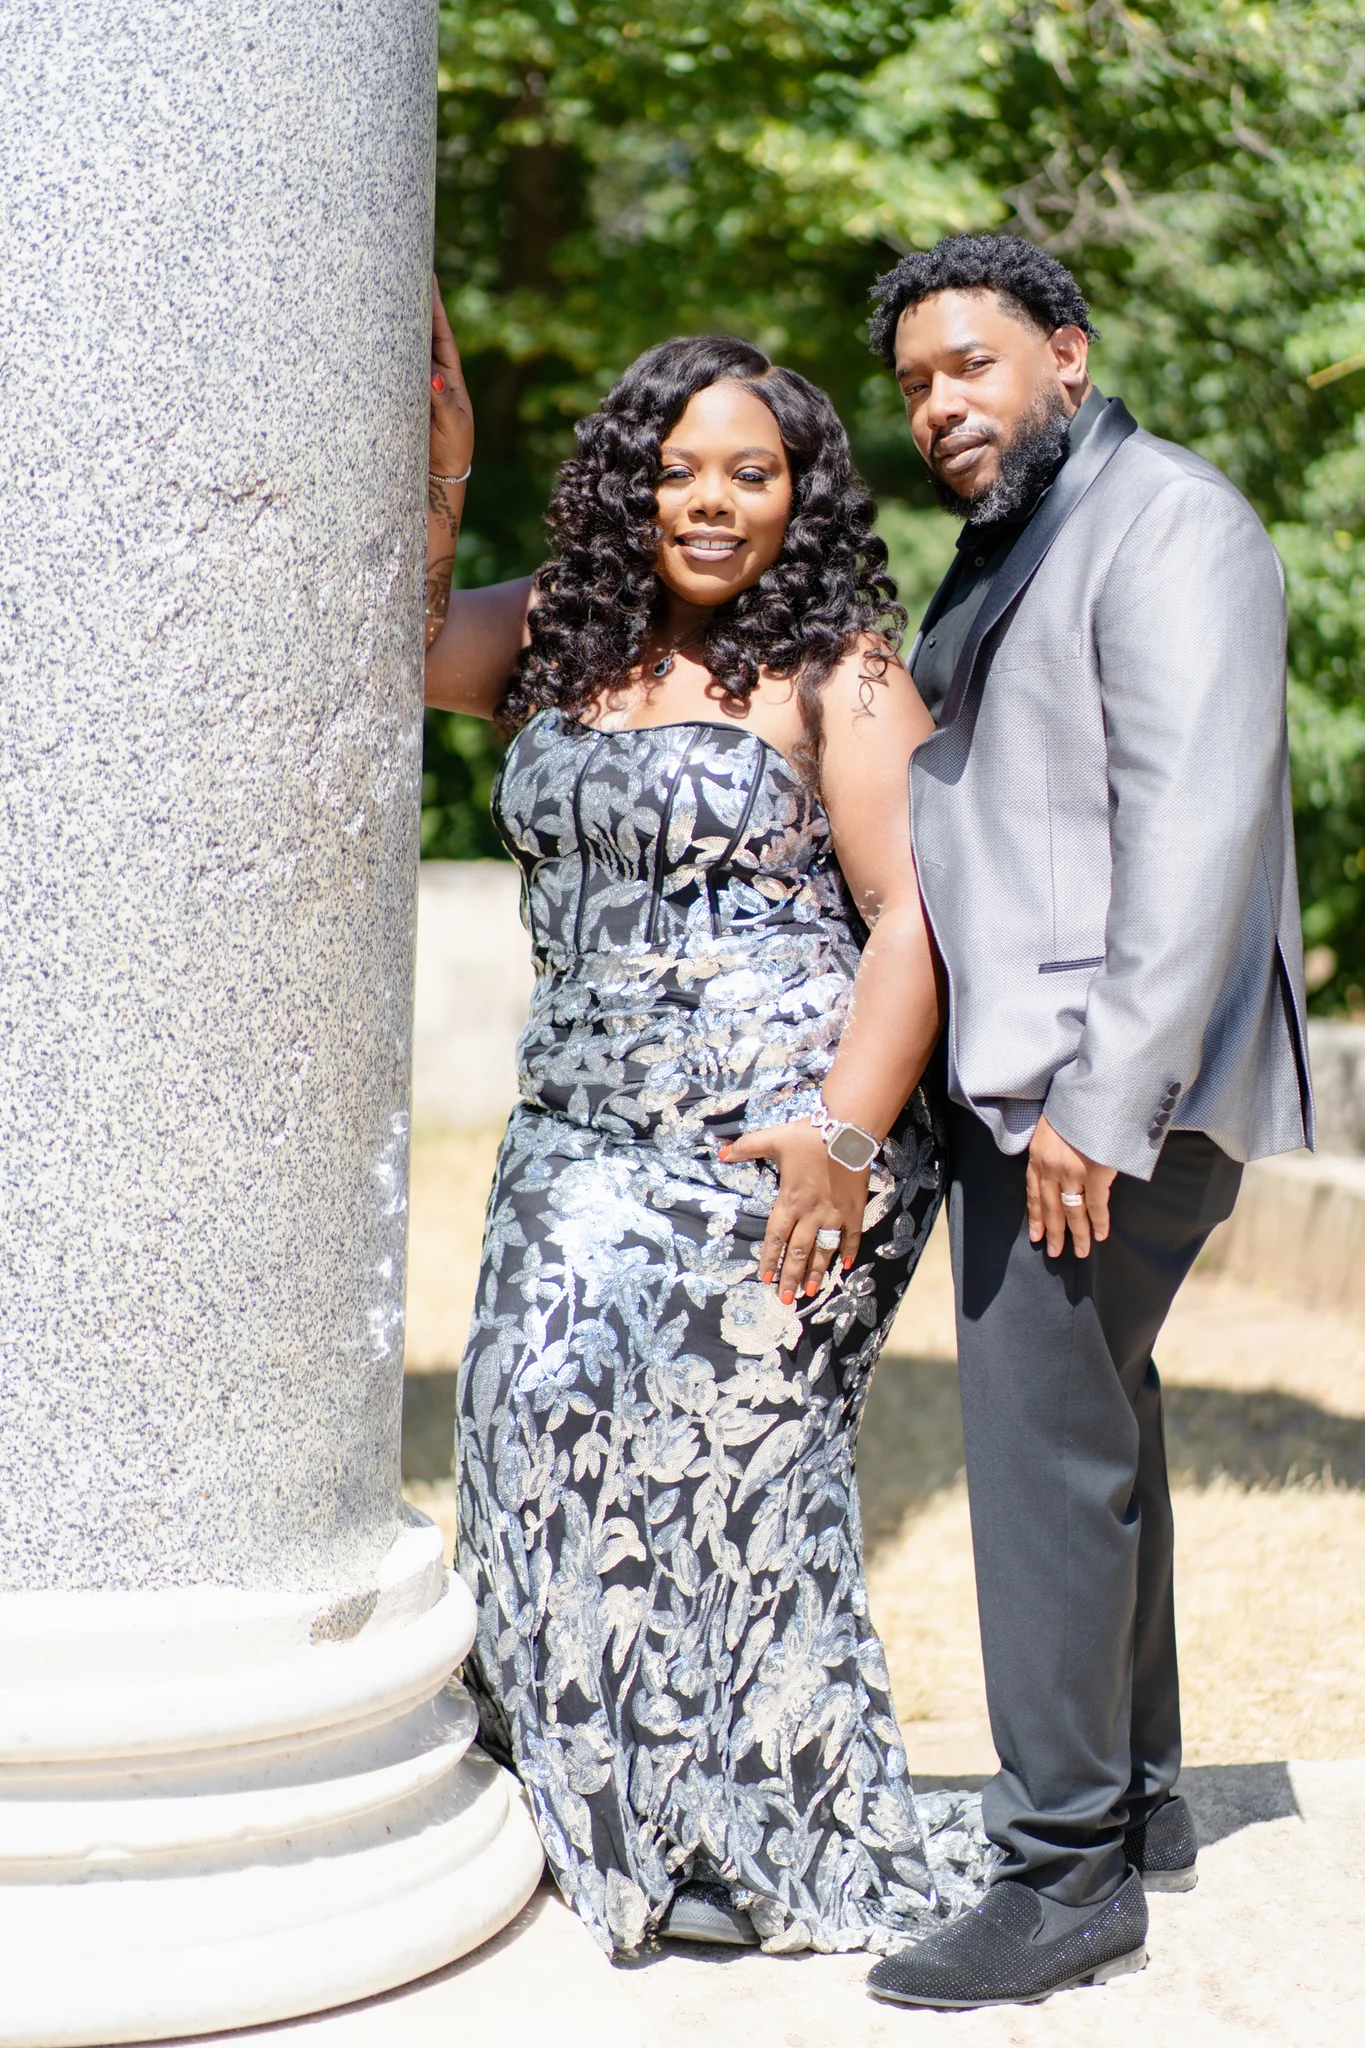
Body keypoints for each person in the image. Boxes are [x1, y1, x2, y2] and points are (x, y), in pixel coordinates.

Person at [423, 283, 989, 1958]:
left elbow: (913, 917)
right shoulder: (560, 637)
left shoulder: (841, 675)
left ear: (800, 495)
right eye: (680, 469)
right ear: (631, 484)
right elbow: (386, 647)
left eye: (753, 472)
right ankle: (601, 1822)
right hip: (575, 1135)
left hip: (787, 1148)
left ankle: (761, 1837)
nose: (714, 501)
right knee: (527, 1429)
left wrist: (846, 1139)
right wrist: (444, 476)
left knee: (736, 1486)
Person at [858, 234, 1314, 2011]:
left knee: (1041, 1452)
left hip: (1095, 1090)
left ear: (1068, 350)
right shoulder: (1035, 526)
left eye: (969, 365)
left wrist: (1097, 1105)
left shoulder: (1169, 521)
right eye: (915, 384)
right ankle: (1139, 1797)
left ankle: (1060, 1878)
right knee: (1097, 1421)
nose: (939, 407)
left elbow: (1192, 824)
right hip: (1052, 1076)